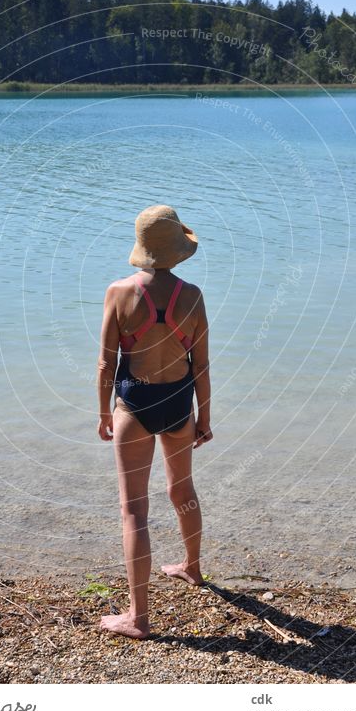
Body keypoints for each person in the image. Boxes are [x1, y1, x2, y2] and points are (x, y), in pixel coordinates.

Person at [97, 204, 213, 639]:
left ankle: (138, 617)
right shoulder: (193, 295)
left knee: (134, 510)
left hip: (135, 405)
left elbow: (106, 364)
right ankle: (193, 568)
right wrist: (205, 415)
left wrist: (103, 411)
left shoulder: (118, 292)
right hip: (180, 402)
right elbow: (201, 363)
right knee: (182, 488)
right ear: (176, 251)